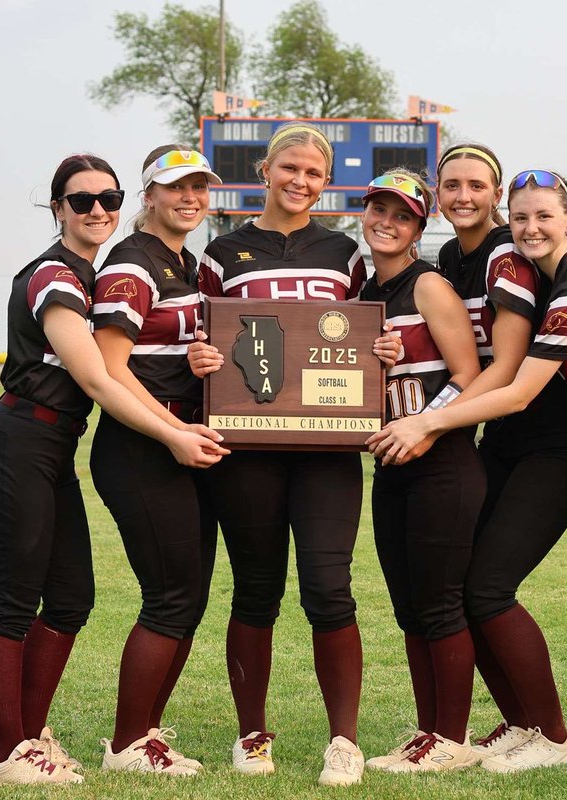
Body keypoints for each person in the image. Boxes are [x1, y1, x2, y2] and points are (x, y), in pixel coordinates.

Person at [369, 168, 567, 778]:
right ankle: (536, 726)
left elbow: (519, 392)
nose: (530, 227)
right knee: (487, 587)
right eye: (521, 218)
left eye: (543, 216)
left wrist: (427, 423)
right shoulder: (539, 272)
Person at [0, 154, 226, 785]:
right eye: (81, 201)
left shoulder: (91, 272)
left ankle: (29, 733)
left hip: (52, 447)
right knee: (13, 603)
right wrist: (174, 433)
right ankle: (8, 754)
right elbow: (97, 377)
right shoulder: (55, 275)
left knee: (73, 596)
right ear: (58, 209)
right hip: (15, 441)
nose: (98, 210)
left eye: (107, 198)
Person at [187, 122, 400, 787]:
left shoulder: (345, 254)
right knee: (255, 591)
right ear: (266, 172)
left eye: (314, 172)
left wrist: (386, 354)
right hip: (247, 448)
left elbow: (372, 334)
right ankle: (251, 735)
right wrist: (202, 356)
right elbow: (203, 333)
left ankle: (345, 740)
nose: (301, 181)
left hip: (325, 450)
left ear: (324, 180)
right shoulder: (222, 252)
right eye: (290, 169)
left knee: (329, 589)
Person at [89, 146, 230, 776]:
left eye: (199, 187)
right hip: (142, 446)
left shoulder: (189, 264)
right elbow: (111, 368)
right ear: (148, 195)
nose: (190, 198)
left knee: (188, 598)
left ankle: (146, 732)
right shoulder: (133, 261)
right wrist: (173, 429)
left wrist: (198, 364)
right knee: (169, 598)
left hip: (180, 439)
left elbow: (172, 352)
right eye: (176, 187)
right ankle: (127, 743)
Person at [355, 170, 485, 773]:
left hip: (443, 464)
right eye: (379, 208)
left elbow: (469, 374)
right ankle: (427, 731)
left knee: (440, 605)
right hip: (391, 468)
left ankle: (451, 738)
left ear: (418, 226)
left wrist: (424, 426)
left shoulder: (429, 285)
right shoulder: (358, 291)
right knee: (410, 607)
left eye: (403, 215)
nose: (388, 221)